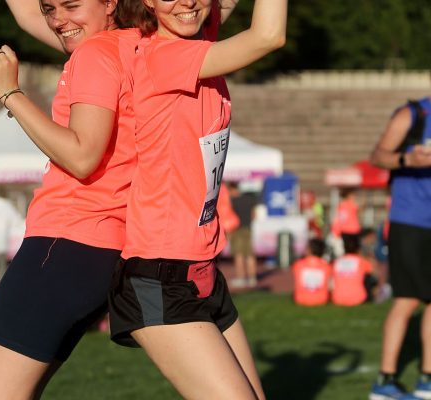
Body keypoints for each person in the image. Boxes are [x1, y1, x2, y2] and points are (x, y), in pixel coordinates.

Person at [108, 1, 286, 399]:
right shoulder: (163, 54)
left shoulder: (199, 35)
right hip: (157, 276)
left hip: (202, 271)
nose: (187, 1)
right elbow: (268, 36)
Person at [0, 0, 149, 398]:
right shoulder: (139, 46)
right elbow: (27, 14)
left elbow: (82, 156)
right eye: (50, 8)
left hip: (63, 245)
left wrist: (10, 93)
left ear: (111, 3)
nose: (58, 20)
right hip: (104, 251)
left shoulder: (95, 53)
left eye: (70, 5)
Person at [368, 97, 431, 399]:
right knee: (406, 300)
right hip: (410, 221)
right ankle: (385, 381)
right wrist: (408, 160)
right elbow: (378, 155)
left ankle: (427, 380)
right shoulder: (414, 114)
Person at [229, 182, 259, 288]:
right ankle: (252, 278)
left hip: (237, 229)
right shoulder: (249, 199)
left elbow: (227, 216)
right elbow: (254, 215)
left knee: (239, 255)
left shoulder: (232, 201)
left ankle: (241, 278)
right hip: (248, 228)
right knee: (249, 254)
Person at [330, 234, 374, 306]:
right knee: (368, 277)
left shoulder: (336, 262)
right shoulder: (362, 261)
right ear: (358, 248)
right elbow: (373, 273)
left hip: (337, 298)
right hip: (359, 298)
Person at [292, 238, 332, 307]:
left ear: (310, 250)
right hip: (321, 299)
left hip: (300, 299)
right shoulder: (327, 266)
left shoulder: (298, 265)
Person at [330, 187, 361, 256]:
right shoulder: (345, 205)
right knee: (350, 251)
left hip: (353, 231)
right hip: (347, 231)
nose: (354, 197)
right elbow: (341, 219)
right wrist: (336, 231)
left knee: (353, 251)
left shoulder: (348, 205)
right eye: (353, 195)